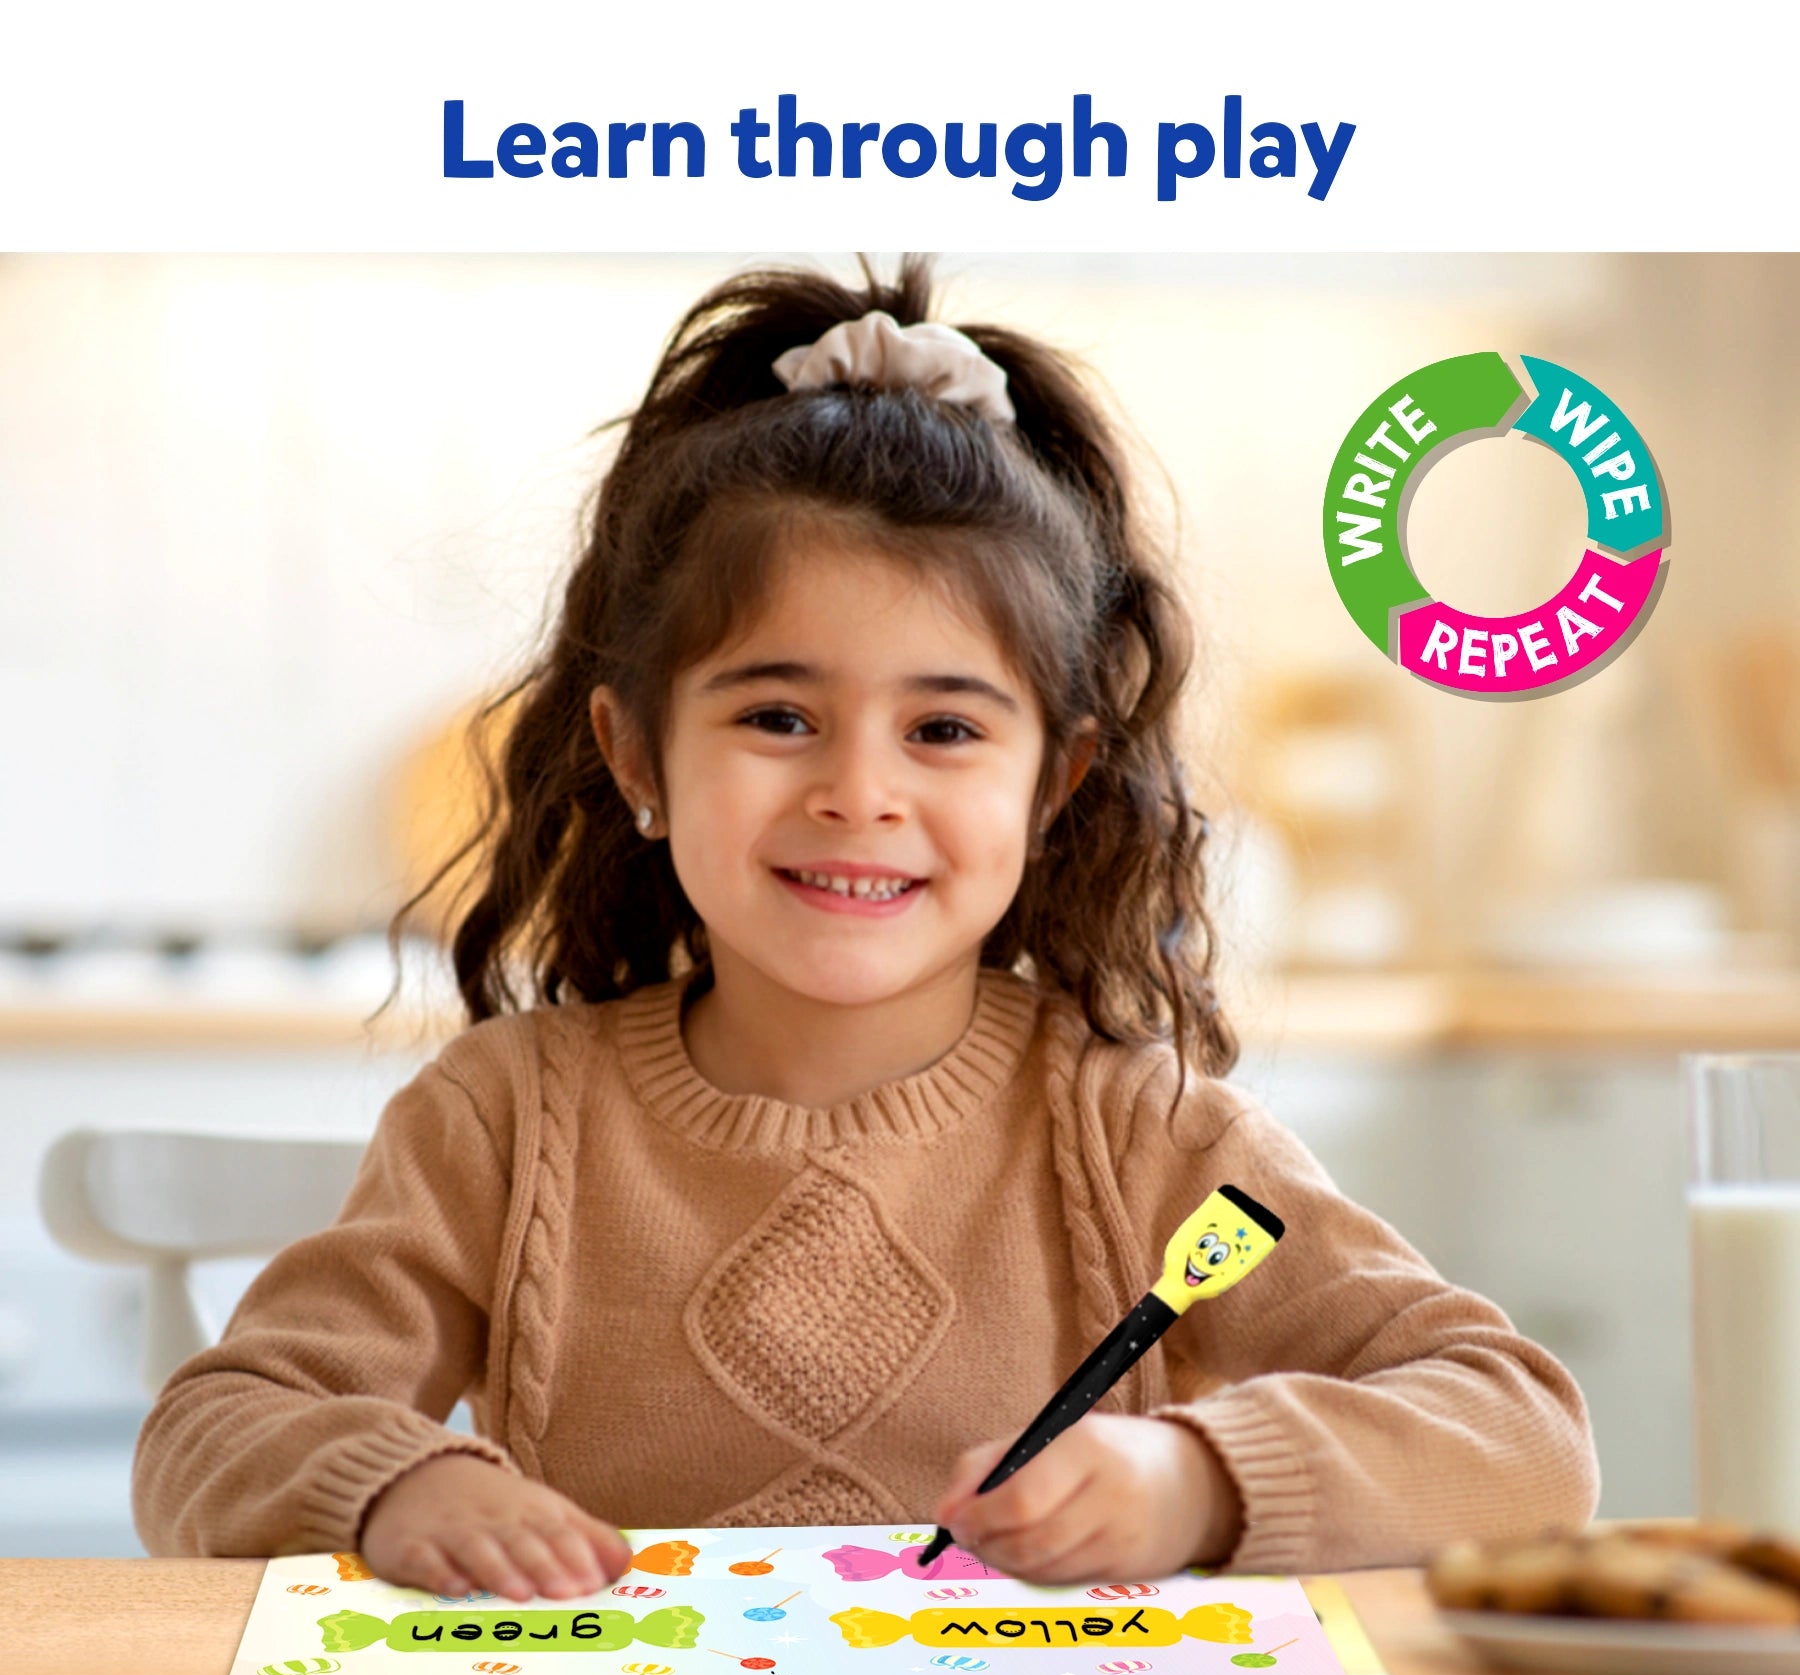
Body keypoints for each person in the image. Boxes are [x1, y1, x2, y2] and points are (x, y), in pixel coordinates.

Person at [132, 258, 1599, 1603]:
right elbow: (215, 1429)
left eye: (945, 728)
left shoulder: (1141, 1136)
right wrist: (397, 1481)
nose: (859, 794)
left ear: (1055, 784)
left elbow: (1520, 1435)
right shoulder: (502, 1123)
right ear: (638, 757)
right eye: (779, 717)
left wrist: (1197, 1480)